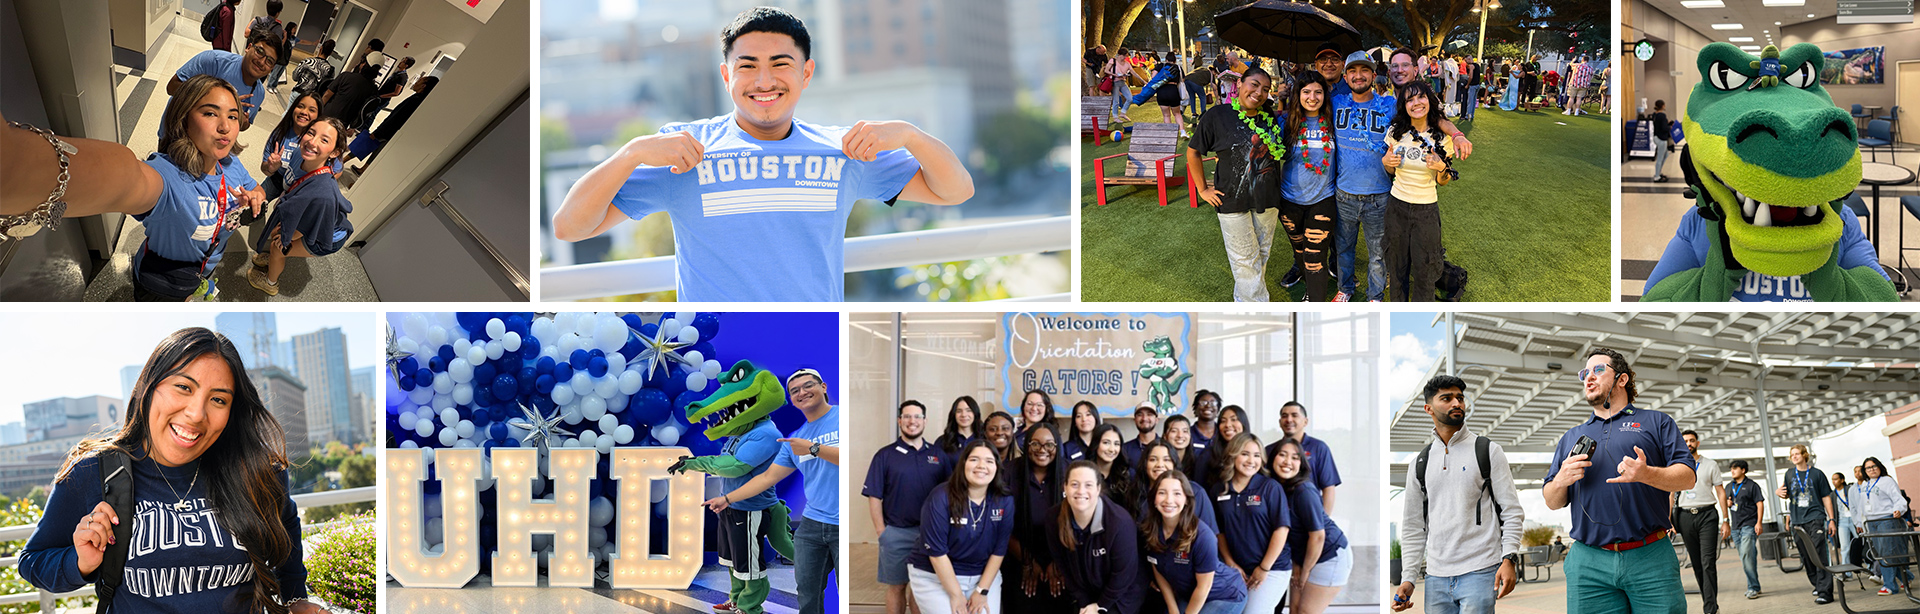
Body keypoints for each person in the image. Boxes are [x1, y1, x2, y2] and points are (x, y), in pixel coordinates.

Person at [552, 7, 971, 301]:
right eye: (748, 65)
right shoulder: (685, 150)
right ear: (726, 75)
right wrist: (631, 152)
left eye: (781, 64)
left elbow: (955, 191)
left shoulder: (843, 152)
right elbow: (569, 227)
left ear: (806, 73)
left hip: (813, 338)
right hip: (715, 349)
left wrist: (911, 135)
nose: (764, 81)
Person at [19, 328, 324, 613]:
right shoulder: (93, 472)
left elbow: (287, 526)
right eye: (183, 387)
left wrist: (295, 597)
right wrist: (80, 561)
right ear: (148, 388)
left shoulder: (255, 469)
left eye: (218, 399)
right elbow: (32, 562)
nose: (196, 414)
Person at [1544, 348, 1696, 612]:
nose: (1589, 377)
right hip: (1588, 563)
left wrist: (1647, 474)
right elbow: (1552, 501)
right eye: (1585, 373)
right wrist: (1560, 481)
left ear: (1622, 379)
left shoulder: (1656, 422)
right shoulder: (1571, 437)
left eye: (1598, 370)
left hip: (1650, 556)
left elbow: (1688, 477)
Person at [697, 368, 839, 614]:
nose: (802, 393)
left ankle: (748, 603)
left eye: (808, 386)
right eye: (795, 391)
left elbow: (857, 458)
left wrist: (814, 448)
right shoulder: (795, 439)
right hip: (813, 522)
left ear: (823, 387)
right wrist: (727, 498)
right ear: (791, 399)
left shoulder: (843, 418)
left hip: (842, 523)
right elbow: (767, 478)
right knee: (807, 590)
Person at [1395, 375, 1522, 614]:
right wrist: (1408, 578)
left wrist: (1509, 559)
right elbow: (1413, 526)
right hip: (1436, 577)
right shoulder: (1419, 463)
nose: (1457, 403)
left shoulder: (1488, 450)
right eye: (1447, 398)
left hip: (1481, 570)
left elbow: (1512, 511)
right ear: (1428, 409)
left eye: (1460, 398)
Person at [133, 75, 267, 301]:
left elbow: (257, 190)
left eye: (232, 116)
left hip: (201, 272)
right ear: (183, 118)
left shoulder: (231, 164)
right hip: (161, 284)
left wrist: (255, 198)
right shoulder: (169, 175)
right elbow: (127, 179)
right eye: (211, 113)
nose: (225, 127)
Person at [1187, 66, 1280, 302]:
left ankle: (1244, 301)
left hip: (1267, 199)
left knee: (1261, 254)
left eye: (1265, 89)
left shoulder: (1270, 118)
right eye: (1254, 85)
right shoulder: (1217, 116)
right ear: (1239, 84)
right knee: (1244, 260)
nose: (1259, 93)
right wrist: (1202, 189)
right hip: (1231, 200)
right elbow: (1193, 152)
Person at [247, 117, 354, 297]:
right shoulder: (300, 154)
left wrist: (286, 237)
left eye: (324, 140)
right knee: (277, 238)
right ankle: (273, 259)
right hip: (310, 219)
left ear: (335, 152)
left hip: (325, 235)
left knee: (277, 247)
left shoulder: (323, 193)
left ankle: (270, 283)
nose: (312, 142)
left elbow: (311, 225)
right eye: (311, 133)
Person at [864, 400, 950, 614]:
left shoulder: (938, 455)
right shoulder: (885, 455)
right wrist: (882, 532)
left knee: (922, 588)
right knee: (897, 586)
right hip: (896, 533)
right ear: (899, 421)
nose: (913, 421)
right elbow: (874, 495)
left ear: (925, 421)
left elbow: (950, 494)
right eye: (907, 416)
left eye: (917, 416)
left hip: (930, 533)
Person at [909, 440, 1013, 614]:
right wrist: (956, 595)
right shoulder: (940, 496)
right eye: (974, 459)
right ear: (963, 463)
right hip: (935, 575)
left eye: (989, 461)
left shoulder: (1004, 500)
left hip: (982, 576)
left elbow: (999, 550)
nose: (981, 466)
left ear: (996, 467)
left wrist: (982, 591)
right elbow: (937, 553)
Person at [1381, 79, 1457, 302]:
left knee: (1425, 271)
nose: (1416, 103)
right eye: (1409, 99)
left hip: (1426, 210)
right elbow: (1390, 169)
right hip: (1397, 206)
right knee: (1397, 268)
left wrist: (1441, 167)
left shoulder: (1442, 137)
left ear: (1429, 100)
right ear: (1404, 105)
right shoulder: (1396, 132)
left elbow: (1443, 181)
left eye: (1421, 97)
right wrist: (1386, 162)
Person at [1331, 51, 1394, 302]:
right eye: (1353, 71)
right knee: (1343, 249)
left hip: (1379, 196)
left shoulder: (1389, 105)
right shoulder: (1335, 103)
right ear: (1345, 77)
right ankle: (1345, 289)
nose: (1359, 75)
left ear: (1374, 75)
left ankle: (1375, 296)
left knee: (1378, 253)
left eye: (1364, 70)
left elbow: (1427, 114)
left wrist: (1456, 135)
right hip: (1344, 194)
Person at [1142, 471, 1247, 614]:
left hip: (1224, 594)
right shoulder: (1150, 530)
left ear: (1186, 500)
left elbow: (1204, 586)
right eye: (1162, 493)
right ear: (1154, 498)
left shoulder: (1203, 536)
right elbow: (1158, 568)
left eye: (1177, 493)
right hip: (1189, 594)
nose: (1169, 500)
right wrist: (1173, 609)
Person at [1047, 461, 1144, 614]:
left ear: (1098, 489)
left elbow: (1123, 574)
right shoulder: (1054, 518)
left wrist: (1100, 606)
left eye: (1088, 485)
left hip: (1121, 594)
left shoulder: (1119, 522)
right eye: (1074, 484)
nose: (1081, 491)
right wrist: (1083, 601)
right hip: (1086, 591)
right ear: (1065, 487)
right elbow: (1062, 564)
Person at [1211, 434, 1290, 614]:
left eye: (1256, 455)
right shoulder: (1219, 490)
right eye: (1245, 454)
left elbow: (1281, 530)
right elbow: (1219, 531)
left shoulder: (1270, 487)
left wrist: (1263, 568)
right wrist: (1231, 563)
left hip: (1272, 568)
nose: (1251, 461)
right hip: (1238, 569)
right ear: (1233, 455)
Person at [1277, 72, 1337, 302]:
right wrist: (1280, 101)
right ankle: (1302, 274)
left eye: (1318, 92)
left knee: (1315, 258)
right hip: (1289, 200)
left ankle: (1314, 303)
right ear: (1298, 94)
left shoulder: (1334, 122)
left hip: (1323, 199)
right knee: (1300, 251)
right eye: (1306, 92)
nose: (1312, 97)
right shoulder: (1286, 122)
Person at [1272, 438, 1351, 614]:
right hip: (1305, 556)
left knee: (1306, 612)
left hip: (1329, 554)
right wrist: (1297, 564)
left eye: (1295, 458)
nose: (1287, 462)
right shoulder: (1277, 489)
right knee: (1294, 610)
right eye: (1282, 455)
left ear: (1301, 464)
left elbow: (1318, 536)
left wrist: (1305, 570)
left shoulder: (1304, 491)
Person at [1007, 422, 1071, 614]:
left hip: (1062, 558)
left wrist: (1057, 562)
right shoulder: (1009, 472)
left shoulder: (1069, 471)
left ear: (1057, 446)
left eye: (1049, 444)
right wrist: (1028, 562)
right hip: (1017, 557)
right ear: (1027, 445)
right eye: (1035, 444)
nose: (1042, 450)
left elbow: (1078, 524)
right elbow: (1001, 525)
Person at [171, 30, 280, 131]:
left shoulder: (259, 94)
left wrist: (243, 122)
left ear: (272, 69)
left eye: (269, 61)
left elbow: (244, 125)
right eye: (259, 51)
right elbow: (172, 86)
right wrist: (216, 101)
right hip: (178, 132)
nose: (262, 62)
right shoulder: (214, 61)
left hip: (211, 143)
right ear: (249, 47)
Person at [1671, 429, 1728, 614]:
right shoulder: (1677, 466)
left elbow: (1720, 492)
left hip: (1707, 515)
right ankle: (1710, 602)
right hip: (1685, 517)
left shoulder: (1710, 464)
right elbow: (1671, 494)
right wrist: (1668, 520)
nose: (1689, 443)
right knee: (1696, 564)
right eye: (1686, 441)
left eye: (1692, 440)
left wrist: (1726, 520)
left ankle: (1710, 609)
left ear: (1697, 443)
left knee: (1707, 562)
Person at [1776, 443, 1836, 603]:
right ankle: (1817, 584)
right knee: (1806, 555)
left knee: (1819, 553)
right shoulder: (1789, 474)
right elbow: (1786, 494)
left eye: (1797, 453)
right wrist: (1778, 492)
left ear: (1804, 455)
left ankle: (1826, 592)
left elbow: (1826, 497)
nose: (1794, 457)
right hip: (1797, 520)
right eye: (1792, 455)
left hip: (1815, 517)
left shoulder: (1817, 474)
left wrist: (1831, 519)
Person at [353, 75, 440, 171]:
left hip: (388, 130)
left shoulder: (415, 99)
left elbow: (396, 117)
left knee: (366, 143)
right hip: (392, 131)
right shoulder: (420, 100)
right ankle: (363, 169)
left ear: (423, 86)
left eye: (420, 81)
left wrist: (380, 130)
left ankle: (344, 161)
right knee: (378, 149)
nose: (416, 82)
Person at [1268, 401, 1341, 513]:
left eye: (1294, 415)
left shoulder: (1319, 447)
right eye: (1284, 416)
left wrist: (1322, 519)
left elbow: (1328, 488)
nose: (1289, 419)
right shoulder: (1269, 450)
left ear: (1305, 422)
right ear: (1280, 422)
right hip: (1276, 515)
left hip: (1308, 514)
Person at [258, 91, 331, 202]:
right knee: (254, 202)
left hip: (299, 189)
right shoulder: (280, 133)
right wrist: (271, 168)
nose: (304, 112)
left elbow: (336, 171)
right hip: (276, 178)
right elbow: (264, 169)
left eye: (312, 110)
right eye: (300, 106)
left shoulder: (318, 143)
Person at [1136, 440, 1217, 533]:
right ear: (1145, 464)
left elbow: (1210, 533)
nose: (1160, 465)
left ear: (1174, 463)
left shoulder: (1195, 491)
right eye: (1153, 459)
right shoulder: (1136, 492)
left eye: (1167, 460)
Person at [1856, 457, 1911, 595]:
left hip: (1886, 520)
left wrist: (1898, 509)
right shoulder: (1865, 484)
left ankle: (1890, 586)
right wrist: (1860, 522)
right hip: (1871, 522)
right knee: (1881, 554)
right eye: (1868, 468)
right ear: (1865, 471)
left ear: (1880, 467)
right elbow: (1861, 506)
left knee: (1887, 553)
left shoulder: (1887, 481)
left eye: (1874, 466)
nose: (1872, 469)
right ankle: (1907, 577)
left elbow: (1899, 499)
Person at [1725, 459, 1765, 599]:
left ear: (1743, 470)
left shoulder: (1752, 485)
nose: (1732, 471)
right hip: (1735, 527)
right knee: (1746, 557)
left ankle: (1752, 587)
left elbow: (1760, 504)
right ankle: (1755, 586)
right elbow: (1726, 503)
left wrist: (1759, 523)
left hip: (1749, 525)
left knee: (1747, 556)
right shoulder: (1729, 486)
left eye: (1735, 468)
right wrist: (1727, 503)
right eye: (1731, 468)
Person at [320, 63, 381, 131]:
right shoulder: (372, 89)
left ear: (363, 65)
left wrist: (318, 109)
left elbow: (327, 94)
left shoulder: (346, 76)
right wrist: (353, 127)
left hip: (327, 114)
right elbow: (363, 111)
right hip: (343, 123)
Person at [1088, 424, 1136, 506]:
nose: (1112, 449)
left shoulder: (1128, 474)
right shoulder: (1084, 472)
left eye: (1116, 444)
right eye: (1106, 443)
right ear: (1096, 443)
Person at [935, 396, 984, 460]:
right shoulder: (942, 441)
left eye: (968, 410)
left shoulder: (984, 439)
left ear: (975, 413)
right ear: (954, 415)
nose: (963, 415)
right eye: (959, 411)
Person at [1121, 402, 1160, 467]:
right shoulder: (1125, 449)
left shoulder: (1167, 447)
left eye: (1149, 414)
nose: (1144, 418)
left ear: (1157, 420)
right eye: (1140, 415)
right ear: (1135, 420)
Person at [1833, 471, 1855, 579]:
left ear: (1842, 480)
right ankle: (1847, 573)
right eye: (1832, 479)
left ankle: (1871, 568)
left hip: (1854, 520)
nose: (1834, 481)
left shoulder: (1850, 489)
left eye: (1836, 479)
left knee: (1862, 542)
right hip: (1842, 521)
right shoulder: (1832, 494)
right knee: (1844, 547)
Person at [1648, 100, 1673, 182]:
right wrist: (1670, 127)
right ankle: (1657, 176)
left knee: (1665, 155)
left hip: (1656, 137)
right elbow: (1664, 128)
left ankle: (1658, 172)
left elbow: (1659, 124)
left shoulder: (1654, 114)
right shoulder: (1662, 115)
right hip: (1661, 138)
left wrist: (1667, 122)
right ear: (1662, 106)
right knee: (1660, 158)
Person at [1109, 49, 1136, 120]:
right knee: (1116, 100)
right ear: (1119, 55)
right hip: (1114, 82)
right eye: (1124, 56)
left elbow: (1133, 72)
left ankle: (1123, 113)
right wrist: (1114, 75)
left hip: (1122, 82)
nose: (1124, 58)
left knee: (1130, 98)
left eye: (1126, 56)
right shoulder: (1113, 61)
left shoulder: (1127, 63)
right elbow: (1106, 70)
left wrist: (1143, 81)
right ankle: (1115, 117)